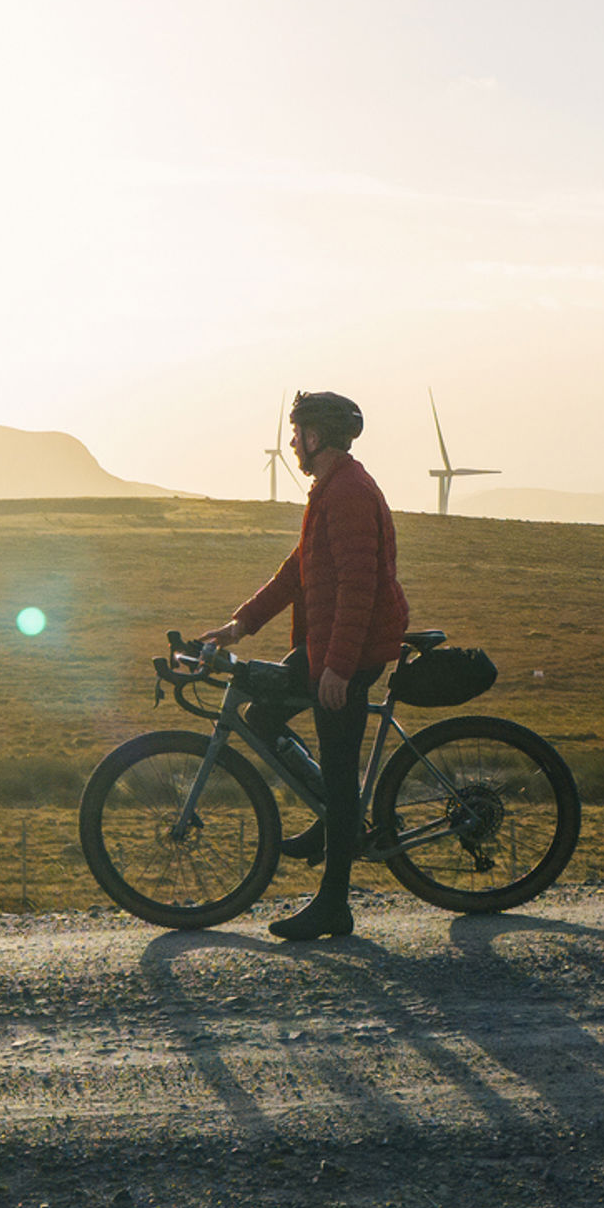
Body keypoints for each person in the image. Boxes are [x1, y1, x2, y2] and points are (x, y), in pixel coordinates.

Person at [201, 389, 411, 940]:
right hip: (328, 645)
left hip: (350, 652)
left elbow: (360, 587)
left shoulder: (345, 494)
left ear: (315, 437)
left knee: (342, 783)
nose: (291, 441)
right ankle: (328, 825)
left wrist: (338, 670)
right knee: (264, 716)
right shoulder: (331, 490)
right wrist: (240, 624)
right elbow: (298, 572)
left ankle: (334, 905)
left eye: (296, 432)